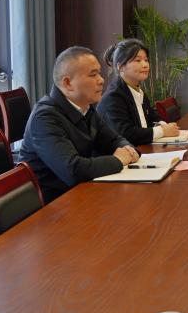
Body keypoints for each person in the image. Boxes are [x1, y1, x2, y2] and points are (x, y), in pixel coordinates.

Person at [19, 46, 140, 202]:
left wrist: (128, 149)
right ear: (68, 83)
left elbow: (112, 140)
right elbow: (73, 170)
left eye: (99, 73)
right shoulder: (44, 118)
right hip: (54, 205)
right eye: (93, 75)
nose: (101, 80)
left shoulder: (85, 107)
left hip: (83, 193)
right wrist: (118, 160)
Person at [97, 39, 179, 146]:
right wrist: (163, 131)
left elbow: (152, 117)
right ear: (120, 67)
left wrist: (165, 126)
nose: (145, 65)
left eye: (146, 60)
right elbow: (126, 134)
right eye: (138, 60)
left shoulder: (137, 90)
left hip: (142, 148)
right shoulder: (114, 97)